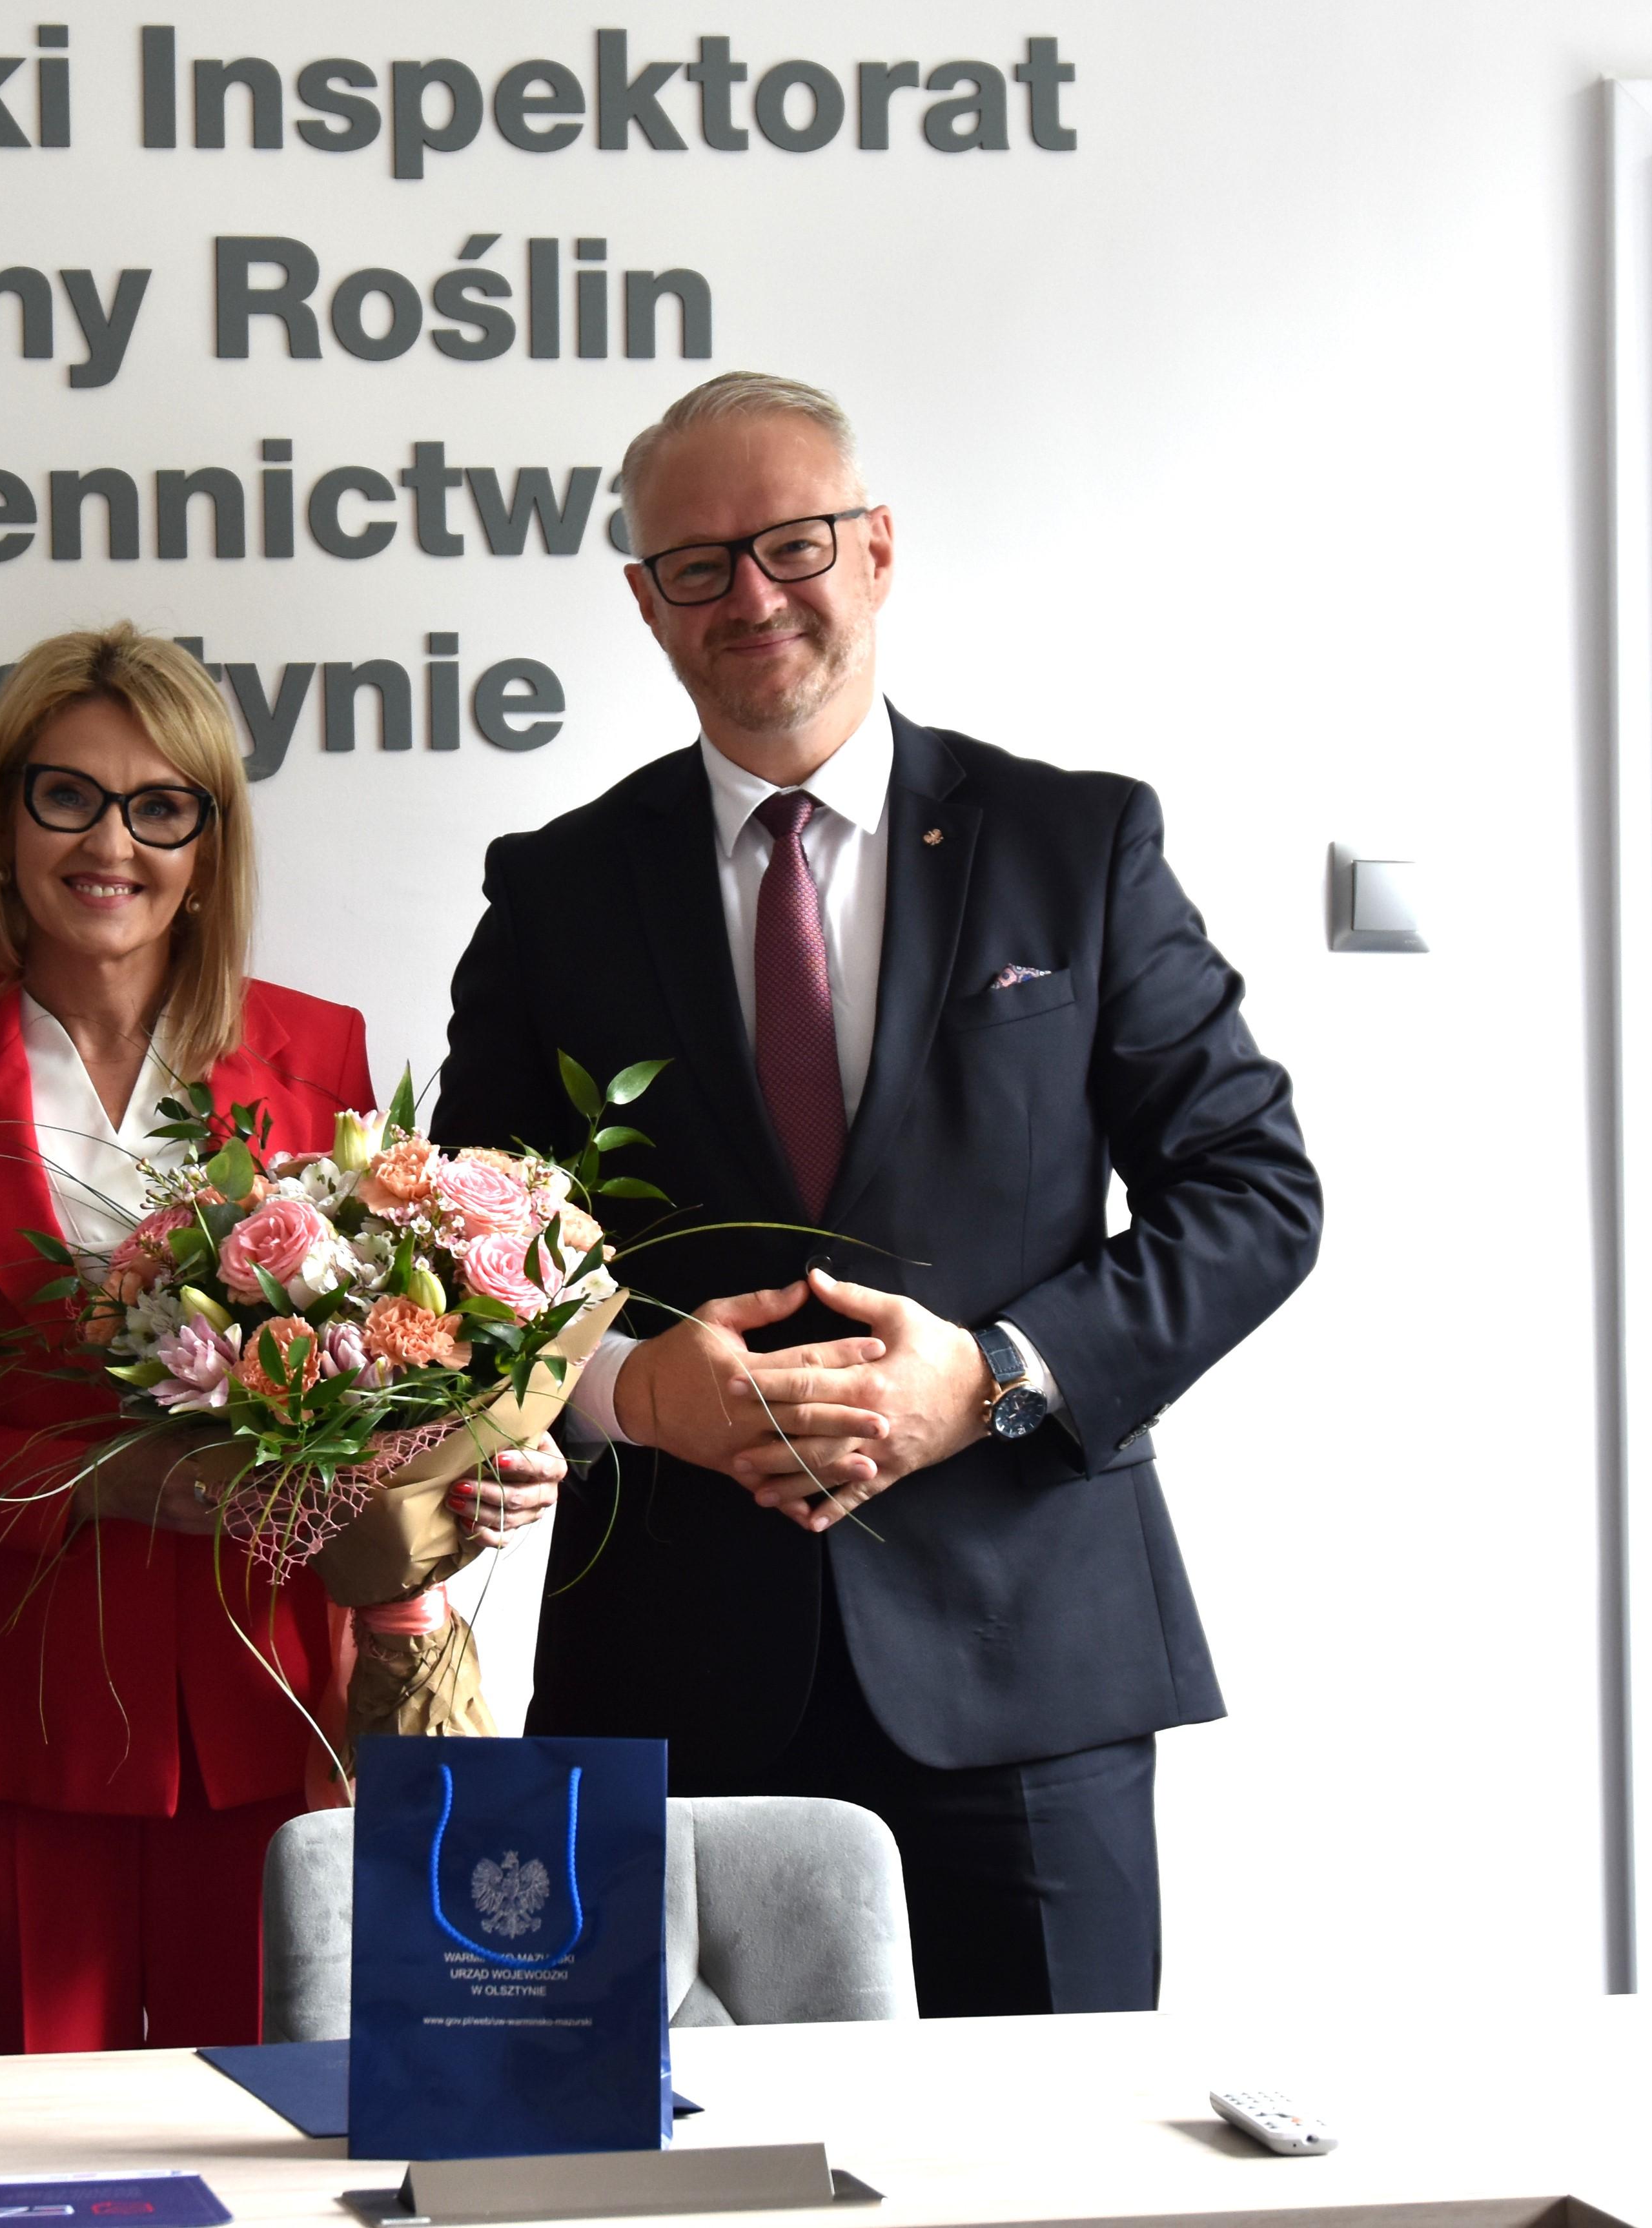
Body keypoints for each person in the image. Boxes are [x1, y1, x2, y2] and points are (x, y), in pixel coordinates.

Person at [432, 374, 1321, 2018]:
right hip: (670, 1664)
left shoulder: (1075, 843)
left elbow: (1252, 1192)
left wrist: (991, 1378)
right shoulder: (556, 890)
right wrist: (632, 1392)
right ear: (645, 601)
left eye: (793, 542)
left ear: (878, 548)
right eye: (697, 564)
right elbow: (466, 1262)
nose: (751, 594)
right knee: (639, 2152)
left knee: (1044, 2148)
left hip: (1025, 1666)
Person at [0, 624, 565, 2056]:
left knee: (283, 2127)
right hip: (12, 1715)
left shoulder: (322, 1051)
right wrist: (103, 1483)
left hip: (281, 1697)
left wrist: (480, 1472)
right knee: (33, 2152)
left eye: (160, 806)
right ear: (4, 817)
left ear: (209, 840)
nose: (111, 843)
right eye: (68, 795)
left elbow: (410, 1369)